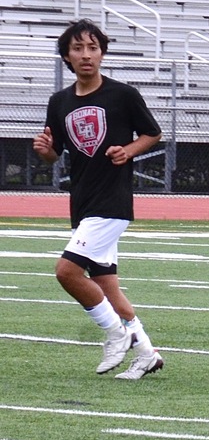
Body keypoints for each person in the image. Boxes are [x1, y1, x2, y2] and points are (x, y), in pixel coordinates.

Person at [33, 19, 164, 380]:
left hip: (113, 201)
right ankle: (146, 352)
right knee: (106, 284)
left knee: (66, 271)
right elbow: (54, 153)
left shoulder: (123, 94)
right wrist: (45, 151)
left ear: (102, 53)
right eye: (78, 49)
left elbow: (153, 132)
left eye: (93, 47)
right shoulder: (58, 101)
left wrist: (129, 150)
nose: (86, 55)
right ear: (67, 57)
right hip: (83, 200)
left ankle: (114, 333)